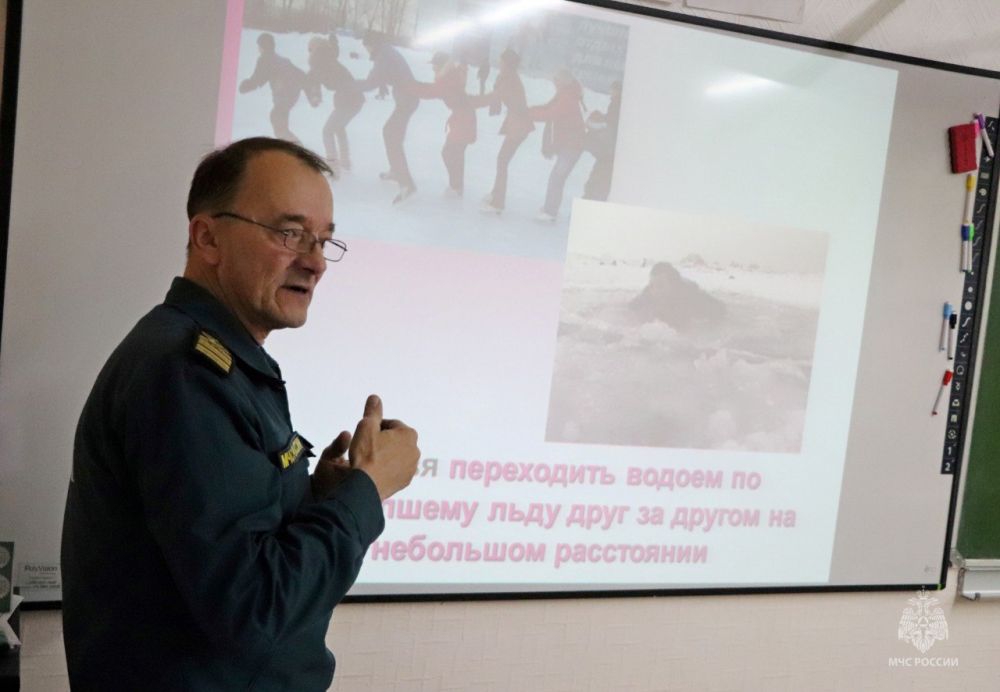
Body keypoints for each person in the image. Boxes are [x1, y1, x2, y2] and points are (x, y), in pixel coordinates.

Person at [61, 137, 420, 691]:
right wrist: (366, 492)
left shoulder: (221, 361)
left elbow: (237, 552)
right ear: (208, 237)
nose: (316, 261)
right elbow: (254, 609)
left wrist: (319, 499)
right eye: (290, 233)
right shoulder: (186, 372)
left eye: (324, 240)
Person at [357, 31, 419, 204]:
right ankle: (396, 170)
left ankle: (406, 183)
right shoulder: (385, 52)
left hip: (408, 98)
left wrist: (350, 85)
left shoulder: (384, 55)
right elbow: (385, 75)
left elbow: (372, 81)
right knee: (391, 133)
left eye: (367, 45)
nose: (366, 49)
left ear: (373, 44)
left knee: (391, 135)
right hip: (407, 98)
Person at [478, 48, 533, 215]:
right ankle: (496, 194)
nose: (499, 64)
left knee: (502, 161)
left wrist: (468, 101)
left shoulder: (510, 81)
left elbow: (494, 97)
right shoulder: (507, 77)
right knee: (502, 160)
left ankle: (498, 204)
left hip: (519, 126)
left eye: (501, 62)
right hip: (516, 124)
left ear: (508, 64)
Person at [416, 52, 477, 198]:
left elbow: (432, 91)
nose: (433, 68)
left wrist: (411, 88)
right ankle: (456, 185)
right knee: (454, 152)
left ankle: (456, 186)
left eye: (435, 65)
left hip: (463, 119)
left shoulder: (446, 79)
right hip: (463, 117)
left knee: (450, 152)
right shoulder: (450, 76)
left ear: (442, 66)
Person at [529, 67, 586, 222]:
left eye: (556, 80)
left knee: (557, 178)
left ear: (562, 81)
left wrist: (527, 114)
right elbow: (548, 108)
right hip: (568, 143)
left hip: (572, 145)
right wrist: (529, 111)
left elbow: (550, 113)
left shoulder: (567, 97)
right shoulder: (565, 93)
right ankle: (550, 208)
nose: (554, 83)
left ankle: (550, 212)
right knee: (557, 177)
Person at [306, 34, 365, 177]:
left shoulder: (319, 60)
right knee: (338, 128)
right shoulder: (328, 59)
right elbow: (316, 79)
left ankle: (333, 166)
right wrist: (315, 95)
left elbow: (314, 78)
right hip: (354, 99)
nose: (309, 53)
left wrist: (315, 96)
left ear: (314, 49)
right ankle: (345, 162)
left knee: (327, 131)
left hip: (348, 99)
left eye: (310, 50)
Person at [240, 33, 307, 143]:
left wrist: (246, 86)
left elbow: (258, 78)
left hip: (284, 95)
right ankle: (292, 146)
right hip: (290, 95)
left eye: (259, 46)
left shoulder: (265, 59)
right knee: (278, 120)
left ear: (262, 46)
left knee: (278, 120)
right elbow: (301, 75)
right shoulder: (281, 59)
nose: (258, 49)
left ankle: (297, 148)